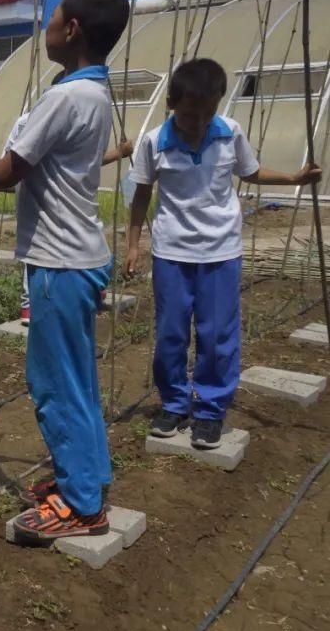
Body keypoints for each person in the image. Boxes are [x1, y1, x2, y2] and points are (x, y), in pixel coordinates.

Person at [0, 0, 130, 544]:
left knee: (54, 382)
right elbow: (41, 175)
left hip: (60, 263)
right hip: (79, 257)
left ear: (71, 29)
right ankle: (87, 480)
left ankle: (79, 506)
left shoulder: (66, 98)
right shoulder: (93, 92)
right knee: (77, 378)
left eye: (52, 18)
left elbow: (8, 167)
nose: (45, 27)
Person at [127, 58, 320, 449]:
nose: (197, 122)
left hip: (220, 251)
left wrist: (292, 178)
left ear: (218, 104)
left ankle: (211, 410)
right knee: (170, 333)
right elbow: (142, 193)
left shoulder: (230, 133)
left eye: (206, 113)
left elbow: (249, 173)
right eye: (188, 114)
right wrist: (133, 245)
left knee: (217, 335)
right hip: (172, 252)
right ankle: (175, 402)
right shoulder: (153, 142)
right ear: (171, 104)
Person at [0, 72, 135, 325]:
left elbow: (87, 160)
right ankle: (31, 305)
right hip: (43, 200)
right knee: (41, 248)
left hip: (68, 204)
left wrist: (118, 152)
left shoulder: (92, 108)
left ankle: (81, 292)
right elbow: (11, 164)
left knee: (63, 246)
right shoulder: (32, 120)